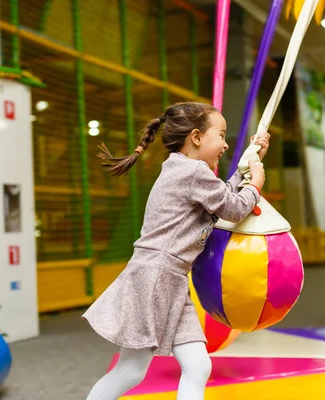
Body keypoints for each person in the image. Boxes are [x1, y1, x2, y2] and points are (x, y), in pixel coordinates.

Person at [82, 102, 269, 400]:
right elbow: (233, 208)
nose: (225, 143)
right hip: (155, 277)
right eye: (220, 135)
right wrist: (256, 184)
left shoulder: (185, 170)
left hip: (170, 279)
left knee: (197, 366)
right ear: (196, 137)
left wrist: (250, 160)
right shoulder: (193, 172)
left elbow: (222, 195)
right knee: (131, 370)